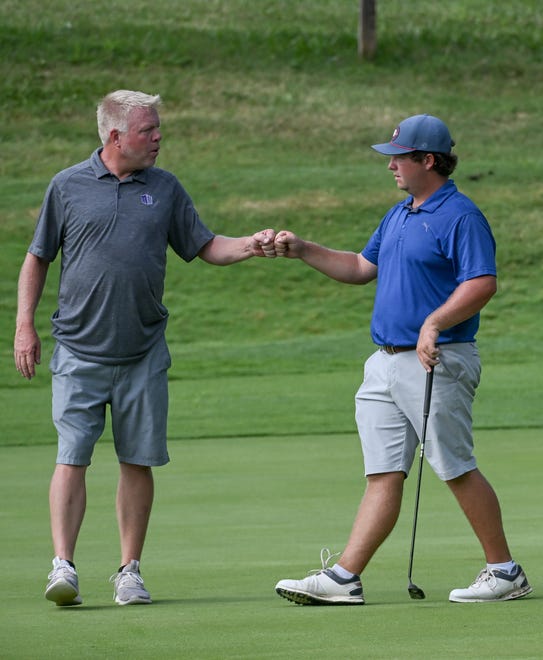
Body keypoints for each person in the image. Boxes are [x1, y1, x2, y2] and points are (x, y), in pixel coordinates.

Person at [14, 90, 277, 607]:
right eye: (148, 130)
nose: (159, 138)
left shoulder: (166, 188)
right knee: (73, 457)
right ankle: (62, 567)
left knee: (138, 460)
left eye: (158, 128)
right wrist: (25, 324)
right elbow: (37, 257)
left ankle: (129, 571)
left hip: (143, 353)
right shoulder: (66, 187)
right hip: (78, 351)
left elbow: (204, 247)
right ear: (115, 136)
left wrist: (251, 244)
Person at [273, 114, 532, 605]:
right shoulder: (399, 214)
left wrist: (433, 323)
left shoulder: (461, 216)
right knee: (383, 472)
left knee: (454, 465)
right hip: (385, 363)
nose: (390, 165)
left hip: (437, 360)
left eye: (398, 157)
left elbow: (482, 282)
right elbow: (358, 267)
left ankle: (504, 571)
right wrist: (302, 249)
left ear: (427, 160)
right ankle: (345, 579)